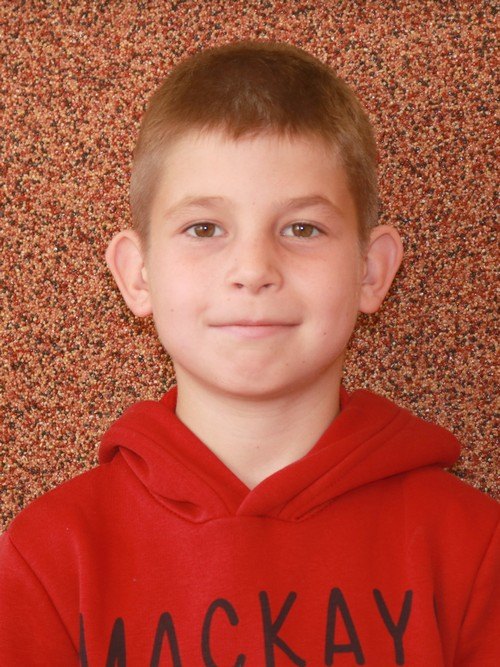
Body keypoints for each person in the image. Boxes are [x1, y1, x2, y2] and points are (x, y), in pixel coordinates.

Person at [0, 41, 498, 666]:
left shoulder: (474, 548)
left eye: (302, 228)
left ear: (371, 271)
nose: (254, 269)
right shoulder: (51, 556)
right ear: (138, 274)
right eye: (204, 228)